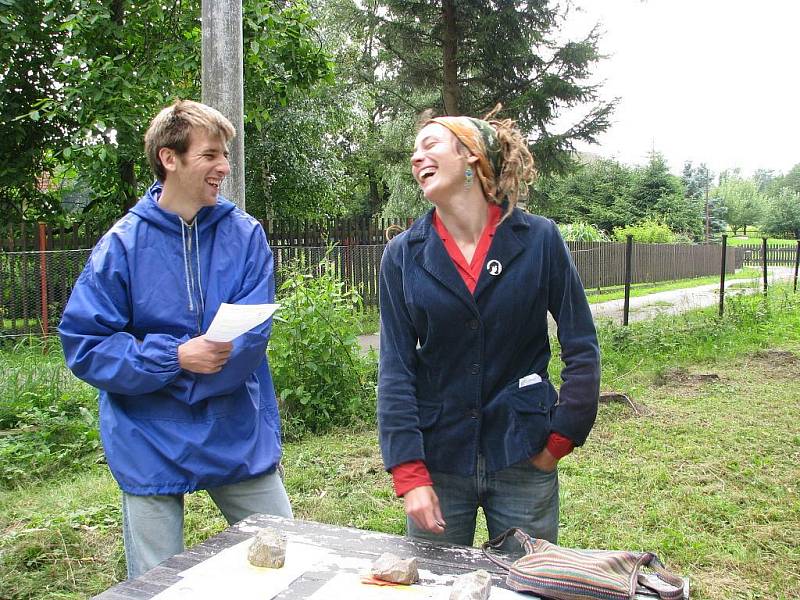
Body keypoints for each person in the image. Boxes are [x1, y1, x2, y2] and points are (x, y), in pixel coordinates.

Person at [59, 99, 292, 579]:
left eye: (225, 154)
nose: (224, 167)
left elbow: (250, 336)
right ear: (171, 158)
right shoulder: (121, 246)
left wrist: (188, 370)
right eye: (210, 155)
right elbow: (85, 344)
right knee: (156, 583)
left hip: (234, 427)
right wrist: (176, 358)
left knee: (285, 559)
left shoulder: (246, 236)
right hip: (147, 435)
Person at [377, 107, 601, 547]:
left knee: (526, 585)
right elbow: (396, 369)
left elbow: (581, 345)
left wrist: (560, 439)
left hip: (523, 451)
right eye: (413, 151)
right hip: (439, 459)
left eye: (430, 145)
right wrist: (408, 472)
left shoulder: (539, 240)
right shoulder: (402, 255)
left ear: (472, 158)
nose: (416, 158)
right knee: (437, 587)